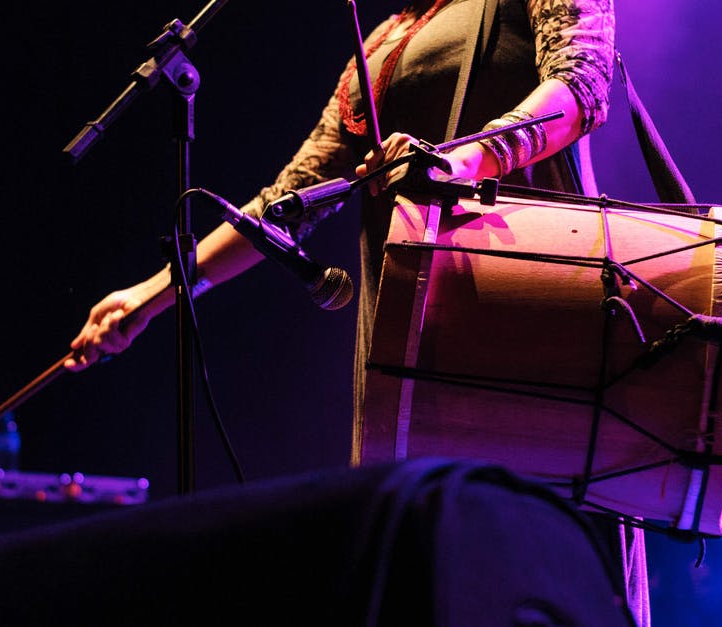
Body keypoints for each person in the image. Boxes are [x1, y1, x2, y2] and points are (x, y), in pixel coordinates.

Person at [65, 1, 646, 624]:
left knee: (549, 582)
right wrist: (155, 293)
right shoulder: (385, 39)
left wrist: (462, 160)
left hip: (536, 331)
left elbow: (582, 85)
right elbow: (289, 201)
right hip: (408, 363)